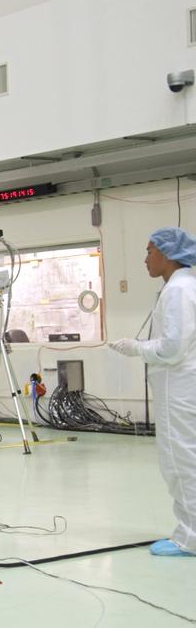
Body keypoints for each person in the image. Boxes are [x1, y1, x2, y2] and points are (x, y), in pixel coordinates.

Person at [109, 226, 196, 557]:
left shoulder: (179, 291)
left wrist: (137, 348)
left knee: (180, 461)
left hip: (179, 388)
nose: (146, 258)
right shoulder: (184, 286)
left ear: (169, 254)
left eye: (150, 251)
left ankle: (190, 538)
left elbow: (173, 348)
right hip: (184, 386)